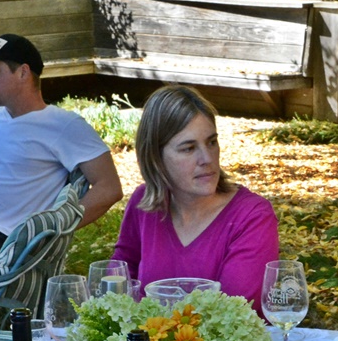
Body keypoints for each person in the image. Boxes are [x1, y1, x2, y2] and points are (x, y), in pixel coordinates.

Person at [0, 33, 122, 288]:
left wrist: (52, 229)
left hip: (2, 241)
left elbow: (109, 188)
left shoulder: (64, 125)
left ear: (23, 72)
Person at [110, 84, 278, 308]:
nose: (206, 158)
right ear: (156, 158)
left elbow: (230, 312)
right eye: (188, 148)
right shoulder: (145, 203)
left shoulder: (251, 217)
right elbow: (117, 279)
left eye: (211, 142)